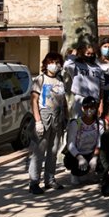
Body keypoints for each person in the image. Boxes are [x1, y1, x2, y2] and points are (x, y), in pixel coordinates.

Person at [28, 52, 67, 194]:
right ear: (46, 63)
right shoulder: (40, 79)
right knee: (39, 152)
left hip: (58, 118)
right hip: (44, 118)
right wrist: (38, 121)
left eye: (57, 62)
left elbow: (63, 102)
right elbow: (33, 101)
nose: (55, 65)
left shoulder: (60, 79)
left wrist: (66, 118)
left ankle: (49, 179)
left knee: (53, 151)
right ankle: (34, 182)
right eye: (52, 62)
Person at [63, 96, 103, 185]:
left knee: (103, 158)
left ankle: (92, 172)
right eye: (86, 107)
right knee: (70, 160)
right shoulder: (76, 123)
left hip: (92, 153)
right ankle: (75, 173)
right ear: (82, 108)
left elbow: (100, 141)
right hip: (78, 154)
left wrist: (95, 157)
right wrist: (79, 157)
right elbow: (71, 144)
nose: (89, 110)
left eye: (92, 107)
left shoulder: (99, 123)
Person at [63, 44, 104, 118]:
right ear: (82, 53)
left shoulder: (98, 68)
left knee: (92, 124)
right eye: (88, 53)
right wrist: (73, 55)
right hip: (80, 98)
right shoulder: (76, 65)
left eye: (92, 54)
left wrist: (101, 104)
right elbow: (66, 65)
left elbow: (101, 87)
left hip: (94, 100)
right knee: (78, 122)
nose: (90, 56)